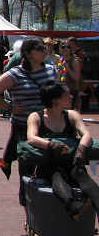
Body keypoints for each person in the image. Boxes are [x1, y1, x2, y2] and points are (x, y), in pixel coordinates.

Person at [0, 38, 58, 209]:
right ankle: (29, 210)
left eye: (45, 47)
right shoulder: (15, 73)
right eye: (40, 48)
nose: (45, 50)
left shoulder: (51, 71)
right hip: (23, 127)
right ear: (28, 53)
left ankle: (47, 207)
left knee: (49, 168)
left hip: (48, 127)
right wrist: (9, 107)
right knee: (27, 169)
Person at [27, 82, 99, 218]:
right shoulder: (36, 117)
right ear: (55, 100)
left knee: (83, 176)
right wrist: (53, 145)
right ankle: (73, 206)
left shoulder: (71, 115)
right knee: (56, 176)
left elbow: (86, 134)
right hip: (49, 164)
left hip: (71, 161)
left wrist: (81, 150)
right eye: (67, 95)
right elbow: (31, 138)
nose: (72, 97)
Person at [59, 40, 82, 112]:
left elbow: (76, 78)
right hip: (61, 91)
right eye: (63, 47)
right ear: (60, 49)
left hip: (71, 92)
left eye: (68, 47)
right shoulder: (61, 60)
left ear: (70, 49)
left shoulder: (74, 61)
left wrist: (67, 67)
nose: (65, 49)